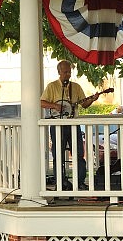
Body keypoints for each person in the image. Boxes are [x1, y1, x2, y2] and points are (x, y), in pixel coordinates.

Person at [41, 60, 99, 190]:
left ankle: (80, 181)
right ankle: (60, 182)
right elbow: (42, 102)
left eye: (69, 72)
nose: (68, 75)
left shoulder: (76, 87)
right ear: (59, 72)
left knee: (79, 153)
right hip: (57, 125)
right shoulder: (52, 86)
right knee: (58, 155)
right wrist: (55, 105)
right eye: (65, 72)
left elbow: (84, 104)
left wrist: (92, 100)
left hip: (73, 124)